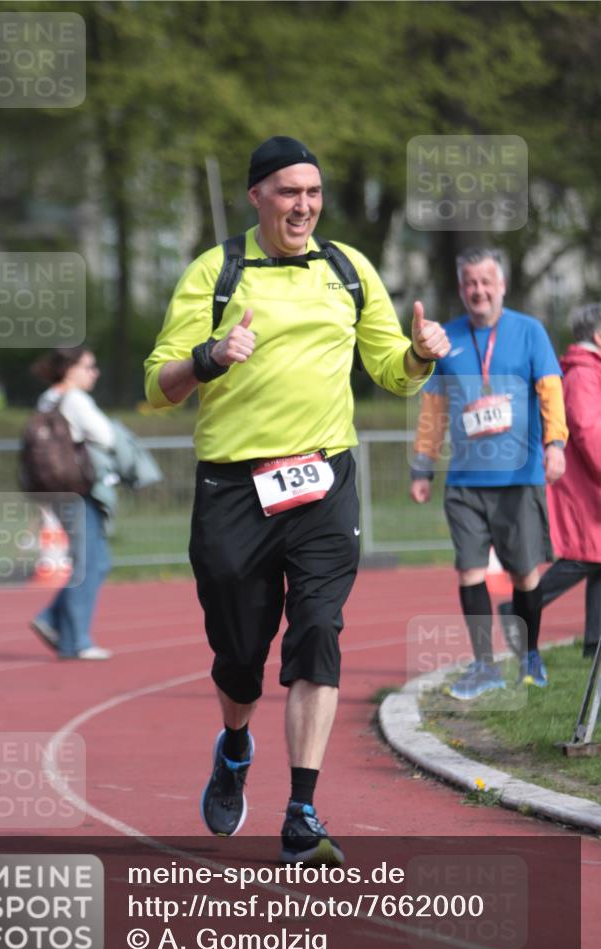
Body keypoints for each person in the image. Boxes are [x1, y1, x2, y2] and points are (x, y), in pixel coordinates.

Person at [144, 135, 449, 863]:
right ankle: (236, 743)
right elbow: (156, 387)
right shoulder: (215, 271)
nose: (303, 205)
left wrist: (417, 356)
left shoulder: (348, 269)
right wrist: (209, 357)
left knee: (317, 631)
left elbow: (388, 370)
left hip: (322, 482)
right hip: (233, 489)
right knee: (241, 656)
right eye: (288, 192)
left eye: (312, 192)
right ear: (257, 197)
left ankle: (301, 811)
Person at [410, 247, 568, 699]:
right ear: (462, 289)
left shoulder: (530, 332)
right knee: (469, 572)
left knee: (525, 575)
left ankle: (530, 655)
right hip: (464, 483)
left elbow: (550, 394)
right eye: (470, 284)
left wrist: (555, 446)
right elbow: (433, 411)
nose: (478, 291)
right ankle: (484, 666)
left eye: (486, 282)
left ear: (502, 286)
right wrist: (422, 466)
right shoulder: (447, 339)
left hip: (519, 479)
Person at [499, 303, 601, 659]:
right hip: (584, 485)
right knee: (582, 557)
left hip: (588, 483)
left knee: (597, 557)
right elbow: (588, 431)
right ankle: (517, 609)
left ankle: (594, 644)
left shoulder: (588, 371)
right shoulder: (583, 374)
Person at [30, 346, 115, 660]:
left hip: (54, 490)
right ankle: (75, 640)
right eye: (89, 367)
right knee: (88, 562)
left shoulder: (48, 398)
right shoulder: (76, 400)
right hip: (77, 489)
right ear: (70, 369)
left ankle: (52, 619)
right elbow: (105, 436)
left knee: (97, 560)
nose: (95, 373)